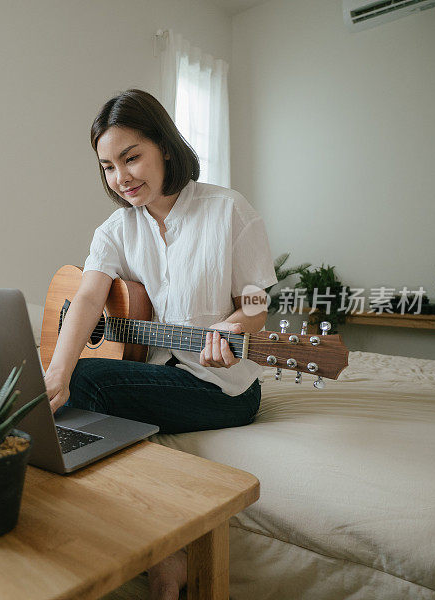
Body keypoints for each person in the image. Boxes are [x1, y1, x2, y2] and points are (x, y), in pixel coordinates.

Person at [43, 89, 278, 600]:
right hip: (156, 374)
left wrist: (233, 328)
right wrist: (54, 375)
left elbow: (256, 302)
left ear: (164, 148)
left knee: (88, 386)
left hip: (221, 384)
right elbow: (86, 298)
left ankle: (161, 546)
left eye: (131, 158)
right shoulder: (116, 229)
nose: (121, 178)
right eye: (108, 167)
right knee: (67, 387)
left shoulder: (227, 209)